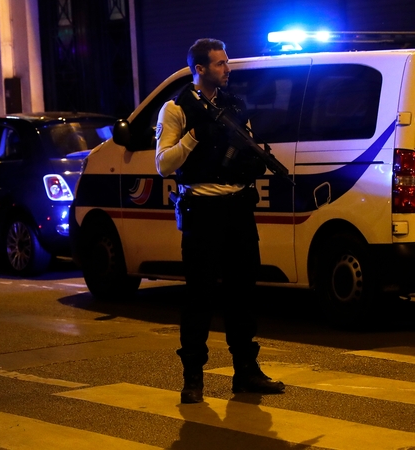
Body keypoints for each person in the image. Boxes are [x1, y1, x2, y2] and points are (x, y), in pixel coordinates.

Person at [155, 38, 285, 404]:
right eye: (219, 64)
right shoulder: (176, 109)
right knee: (199, 295)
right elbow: (164, 164)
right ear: (200, 69)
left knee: (242, 292)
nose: (227, 69)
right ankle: (193, 378)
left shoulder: (234, 105)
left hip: (239, 207)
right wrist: (195, 136)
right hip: (203, 210)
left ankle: (246, 371)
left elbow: (247, 147)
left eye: (226, 63)